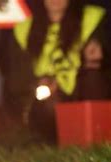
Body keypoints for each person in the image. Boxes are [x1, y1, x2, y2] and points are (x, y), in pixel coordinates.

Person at [9, 0, 109, 140]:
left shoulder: (91, 19)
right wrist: (40, 82)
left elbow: (104, 51)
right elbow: (18, 76)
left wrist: (99, 51)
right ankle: (54, 135)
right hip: (46, 95)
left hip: (81, 88)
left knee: (94, 79)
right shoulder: (24, 28)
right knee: (47, 100)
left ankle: (97, 132)